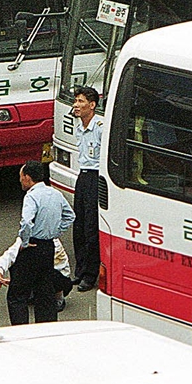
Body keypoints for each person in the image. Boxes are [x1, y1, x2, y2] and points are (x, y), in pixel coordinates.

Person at [5, 160, 75, 325]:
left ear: (28, 178)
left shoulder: (31, 196)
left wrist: (25, 241)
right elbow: (70, 216)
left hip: (32, 247)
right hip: (48, 246)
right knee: (45, 292)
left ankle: (21, 330)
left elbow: (27, 222)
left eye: (21, 177)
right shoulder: (55, 194)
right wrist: (55, 232)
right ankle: (46, 329)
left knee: (17, 294)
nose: (20, 180)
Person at [72, 85, 103, 293]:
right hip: (82, 176)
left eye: (81, 101)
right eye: (76, 101)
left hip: (95, 177)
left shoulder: (100, 127)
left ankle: (90, 275)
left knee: (91, 228)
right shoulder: (78, 126)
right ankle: (80, 269)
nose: (76, 105)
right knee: (79, 225)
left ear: (91, 105)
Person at [0, 234, 73, 312]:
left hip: (58, 278)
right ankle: (31, 292)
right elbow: (10, 254)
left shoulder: (52, 242)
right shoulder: (27, 239)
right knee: (17, 260)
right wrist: (0, 272)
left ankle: (58, 297)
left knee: (44, 272)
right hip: (38, 274)